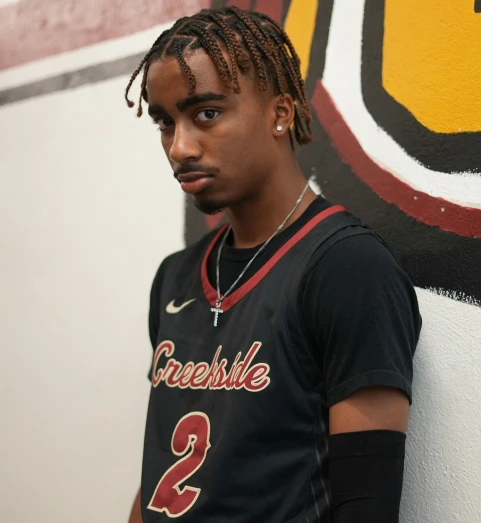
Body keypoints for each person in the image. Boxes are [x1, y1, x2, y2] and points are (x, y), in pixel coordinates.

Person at [123, 6, 421, 522]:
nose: (180, 146)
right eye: (165, 122)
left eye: (206, 114)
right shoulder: (174, 277)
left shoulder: (347, 267)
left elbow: (365, 503)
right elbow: (157, 478)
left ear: (281, 112)